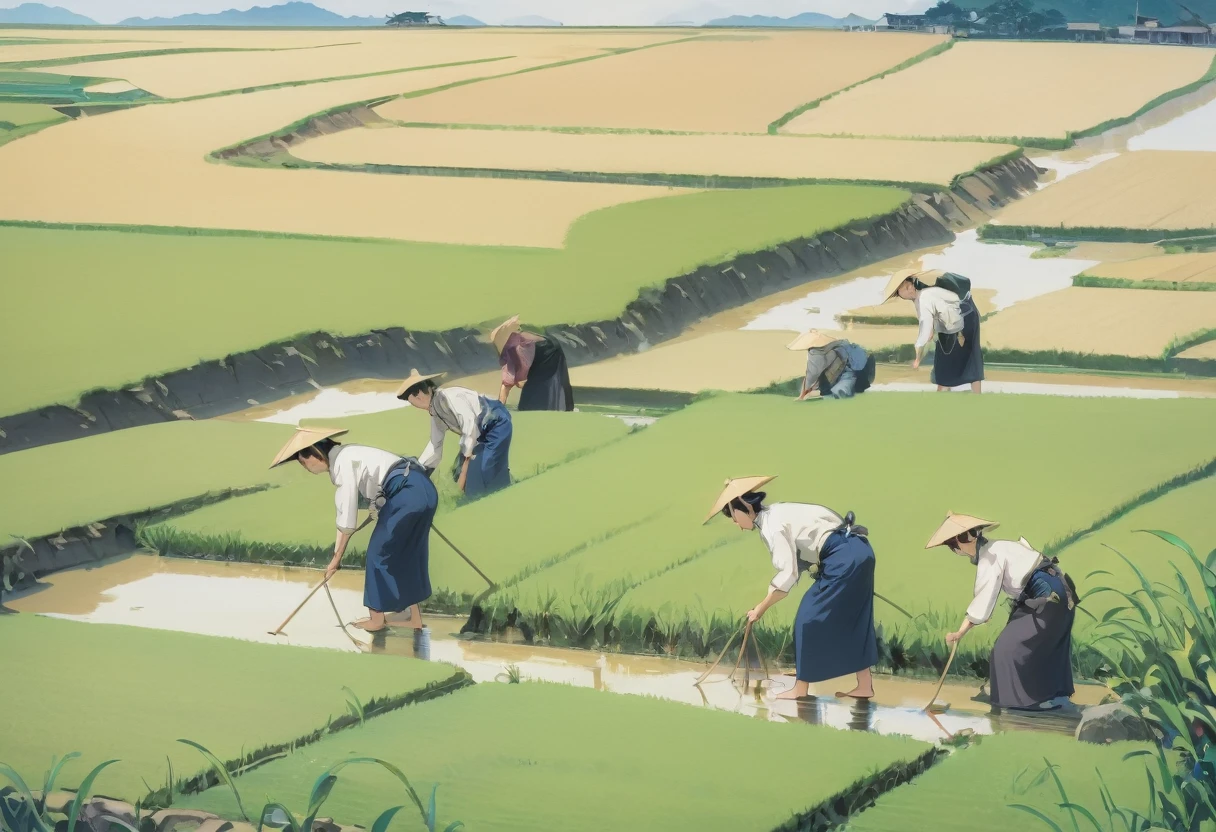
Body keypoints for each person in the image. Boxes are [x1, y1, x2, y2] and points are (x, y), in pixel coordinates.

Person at [704, 476, 878, 702]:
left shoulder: (772, 527)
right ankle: (864, 686)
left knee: (807, 618)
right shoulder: (778, 511)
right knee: (853, 618)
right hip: (860, 551)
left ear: (744, 509)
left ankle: (800, 689)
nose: (736, 524)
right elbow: (806, 548)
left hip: (842, 559)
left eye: (733, 517)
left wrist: (760, 609)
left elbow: (788, 574)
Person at [269, 426, 436, 633]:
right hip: (423, 490)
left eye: (304, 463)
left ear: (314, 455)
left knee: (378, 554)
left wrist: (335, 560)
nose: (306, 468)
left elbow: (347, 518)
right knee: (407, 553)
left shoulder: (342, 464)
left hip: (407, 495)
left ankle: (376, 619)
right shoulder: (350, 453)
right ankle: (414, 618)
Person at [925, 511, 1077, 711]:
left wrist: (960, 632)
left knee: (1006, 648)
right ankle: (1050, 695)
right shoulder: (997, 547)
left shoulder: (990, 556)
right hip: (1054, 591)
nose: (956, 549)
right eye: (952, 546)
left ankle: (1017, 703)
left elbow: (983, 600)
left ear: (966, 541)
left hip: (1049, 596)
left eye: (955, 544)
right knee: (1029, 641)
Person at [396, 368, 513, 497]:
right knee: (458, 472)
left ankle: (505, 492)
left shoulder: (450, 398)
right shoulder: (435, 413)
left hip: (496, 423)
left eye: (418, 391)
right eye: (411, 396)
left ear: (427, 388)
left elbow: (469, 424)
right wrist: (420, 469)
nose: (417, 397)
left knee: (487, 467)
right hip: (478, 435)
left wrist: (467, 455)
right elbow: (435, 445)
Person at [882, 268, 984, 393]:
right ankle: (971, 396)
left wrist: (918, 356)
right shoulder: (920, 297)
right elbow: (929, 329)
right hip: (963, 317)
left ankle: (949, 396)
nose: (906, 290)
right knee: (962, 361)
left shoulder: (924, 297)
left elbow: (925, 330)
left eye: (906, 287)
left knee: (951, 363)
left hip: (962, 319)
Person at [491, 315, 575, 412]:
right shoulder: (524, 339)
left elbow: (507, 384)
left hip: (543, 356)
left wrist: (498, 411)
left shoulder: (515, 348)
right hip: (551, 353)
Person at [787, 330, 876, 400]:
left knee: (840, 391)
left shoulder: (817, 352)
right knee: (829, 389)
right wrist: (805, 391)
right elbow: (815, 374)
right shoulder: (833, 346)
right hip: (850, 369)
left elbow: (813, 374)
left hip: (853, 369)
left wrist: (803, 394)